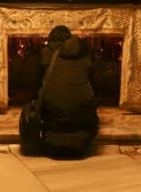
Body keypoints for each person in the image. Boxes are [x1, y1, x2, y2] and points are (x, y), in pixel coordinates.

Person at [34, 25, 100, 158]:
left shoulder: (45, 53)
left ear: (50, 40)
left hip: (53, 116)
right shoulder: (85, 52)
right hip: (83, 114)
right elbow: (94, 85)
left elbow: (35, 86)